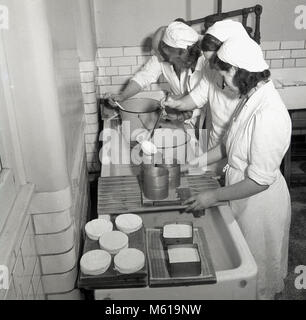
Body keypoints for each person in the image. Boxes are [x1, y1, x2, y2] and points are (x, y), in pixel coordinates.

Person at [183, 36, 292, 300]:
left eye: (223, 75)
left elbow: (260, 181)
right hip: (240, 195)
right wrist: (193, 163)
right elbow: (228, 146)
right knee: (247, 269)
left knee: (259, 274)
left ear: (238, 70)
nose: (221, 82)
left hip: (260, 205)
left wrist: (211, 197)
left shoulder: (268, 113)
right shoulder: (249, 98)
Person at [163, 20, 251, 151]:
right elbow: (197, 97)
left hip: (239, 148)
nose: (209, 65)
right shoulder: (211, 70)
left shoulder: (250, 88)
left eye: (213, 60)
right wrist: (175, 104)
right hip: (215, 143)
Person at [106, 21, 206, 125]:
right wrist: (123, 96)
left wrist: (187, 111)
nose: (159, 57)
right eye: (157, 53)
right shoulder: (164, 57)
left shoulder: (203, 63)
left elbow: (205, 100)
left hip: (202, 121)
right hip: (184, 118)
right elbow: (144, 76)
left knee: (202, 139)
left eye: (162, 53)